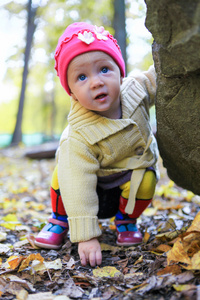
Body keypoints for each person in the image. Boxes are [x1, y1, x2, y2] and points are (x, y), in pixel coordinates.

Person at [35, 22, 159, 267]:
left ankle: (126, 221)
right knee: (64, 175)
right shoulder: (78, 134)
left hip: (126, 184)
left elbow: (162, 75)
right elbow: (78, 183)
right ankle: (60, 219)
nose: (96, 82)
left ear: (120, 72)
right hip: (86, 190)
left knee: (147, 179)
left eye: (104, 69)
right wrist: (87, 236)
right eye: (82, 77)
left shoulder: (135, 90)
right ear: (71, 92)